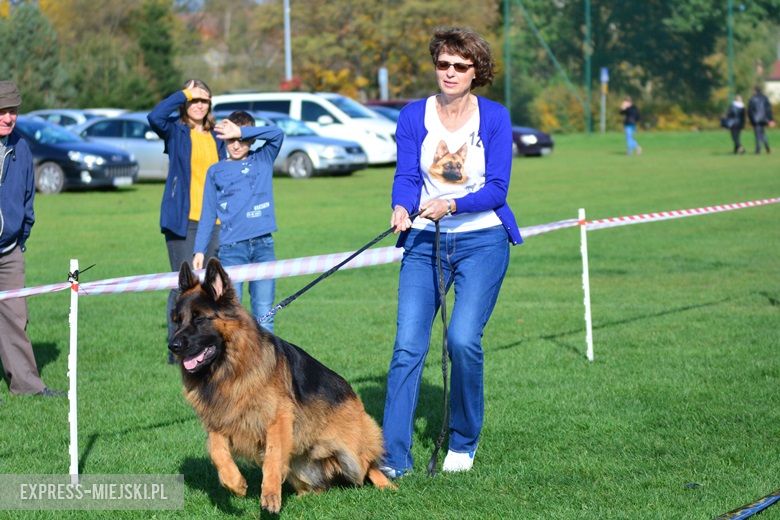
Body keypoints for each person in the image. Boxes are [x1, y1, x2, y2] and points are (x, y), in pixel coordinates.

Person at [379, 27, 522, 479]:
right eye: (443, 64)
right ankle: (393, 456)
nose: (450, 72)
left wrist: (453, 203)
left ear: (476, 71)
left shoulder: (495, 118)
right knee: (406, 347)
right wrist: (402, 205)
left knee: (462, 339)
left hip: (482, 239)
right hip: (424, 242)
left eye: (460, 66)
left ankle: (463, 440)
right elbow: (405, 175)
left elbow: (498, 189)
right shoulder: (412, 115)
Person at [148, 79, 225, 361]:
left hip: (214, 221)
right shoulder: (175, 132)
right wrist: (184, 93)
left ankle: (208, 344)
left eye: (203, 100)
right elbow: (154, 116)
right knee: (182, 285)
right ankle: (177, 348)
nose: (198, 105)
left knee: (211, 286)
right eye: (193, 100)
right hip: (182, 221)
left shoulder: (218, 135)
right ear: (185, 103)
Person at [192, 111, 284, 332]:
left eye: (241, 140)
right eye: (231, 139)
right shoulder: (215, 171)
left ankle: (266, 365)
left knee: (264, 314)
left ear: (251, 138)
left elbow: (277, 133)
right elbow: (207, 213)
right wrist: (199, 250)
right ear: (223, 138)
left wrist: (241, 131)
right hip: (232, 250)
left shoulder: (263, 158)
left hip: (263, 246)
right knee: (231, 314)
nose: (236, 145)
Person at [0, 81, 63, 398]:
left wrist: (21, 235)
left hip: (9, 251)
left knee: (15, 317)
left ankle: (26, 385)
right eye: (1, 111)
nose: (8, 118)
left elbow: (27, 197)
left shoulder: (21, 147)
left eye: (12, 111)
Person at [747, 85, 775, 154]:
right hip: (764, 119)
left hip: (755, 119)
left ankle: (758, 150)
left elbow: (750, 110)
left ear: (755, 91)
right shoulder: (765, 98)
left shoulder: (752, 99)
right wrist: (770, 119)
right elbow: (768, 109)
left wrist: (751, 119)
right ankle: (767, 147)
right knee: (763, 133)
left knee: (757, 135)